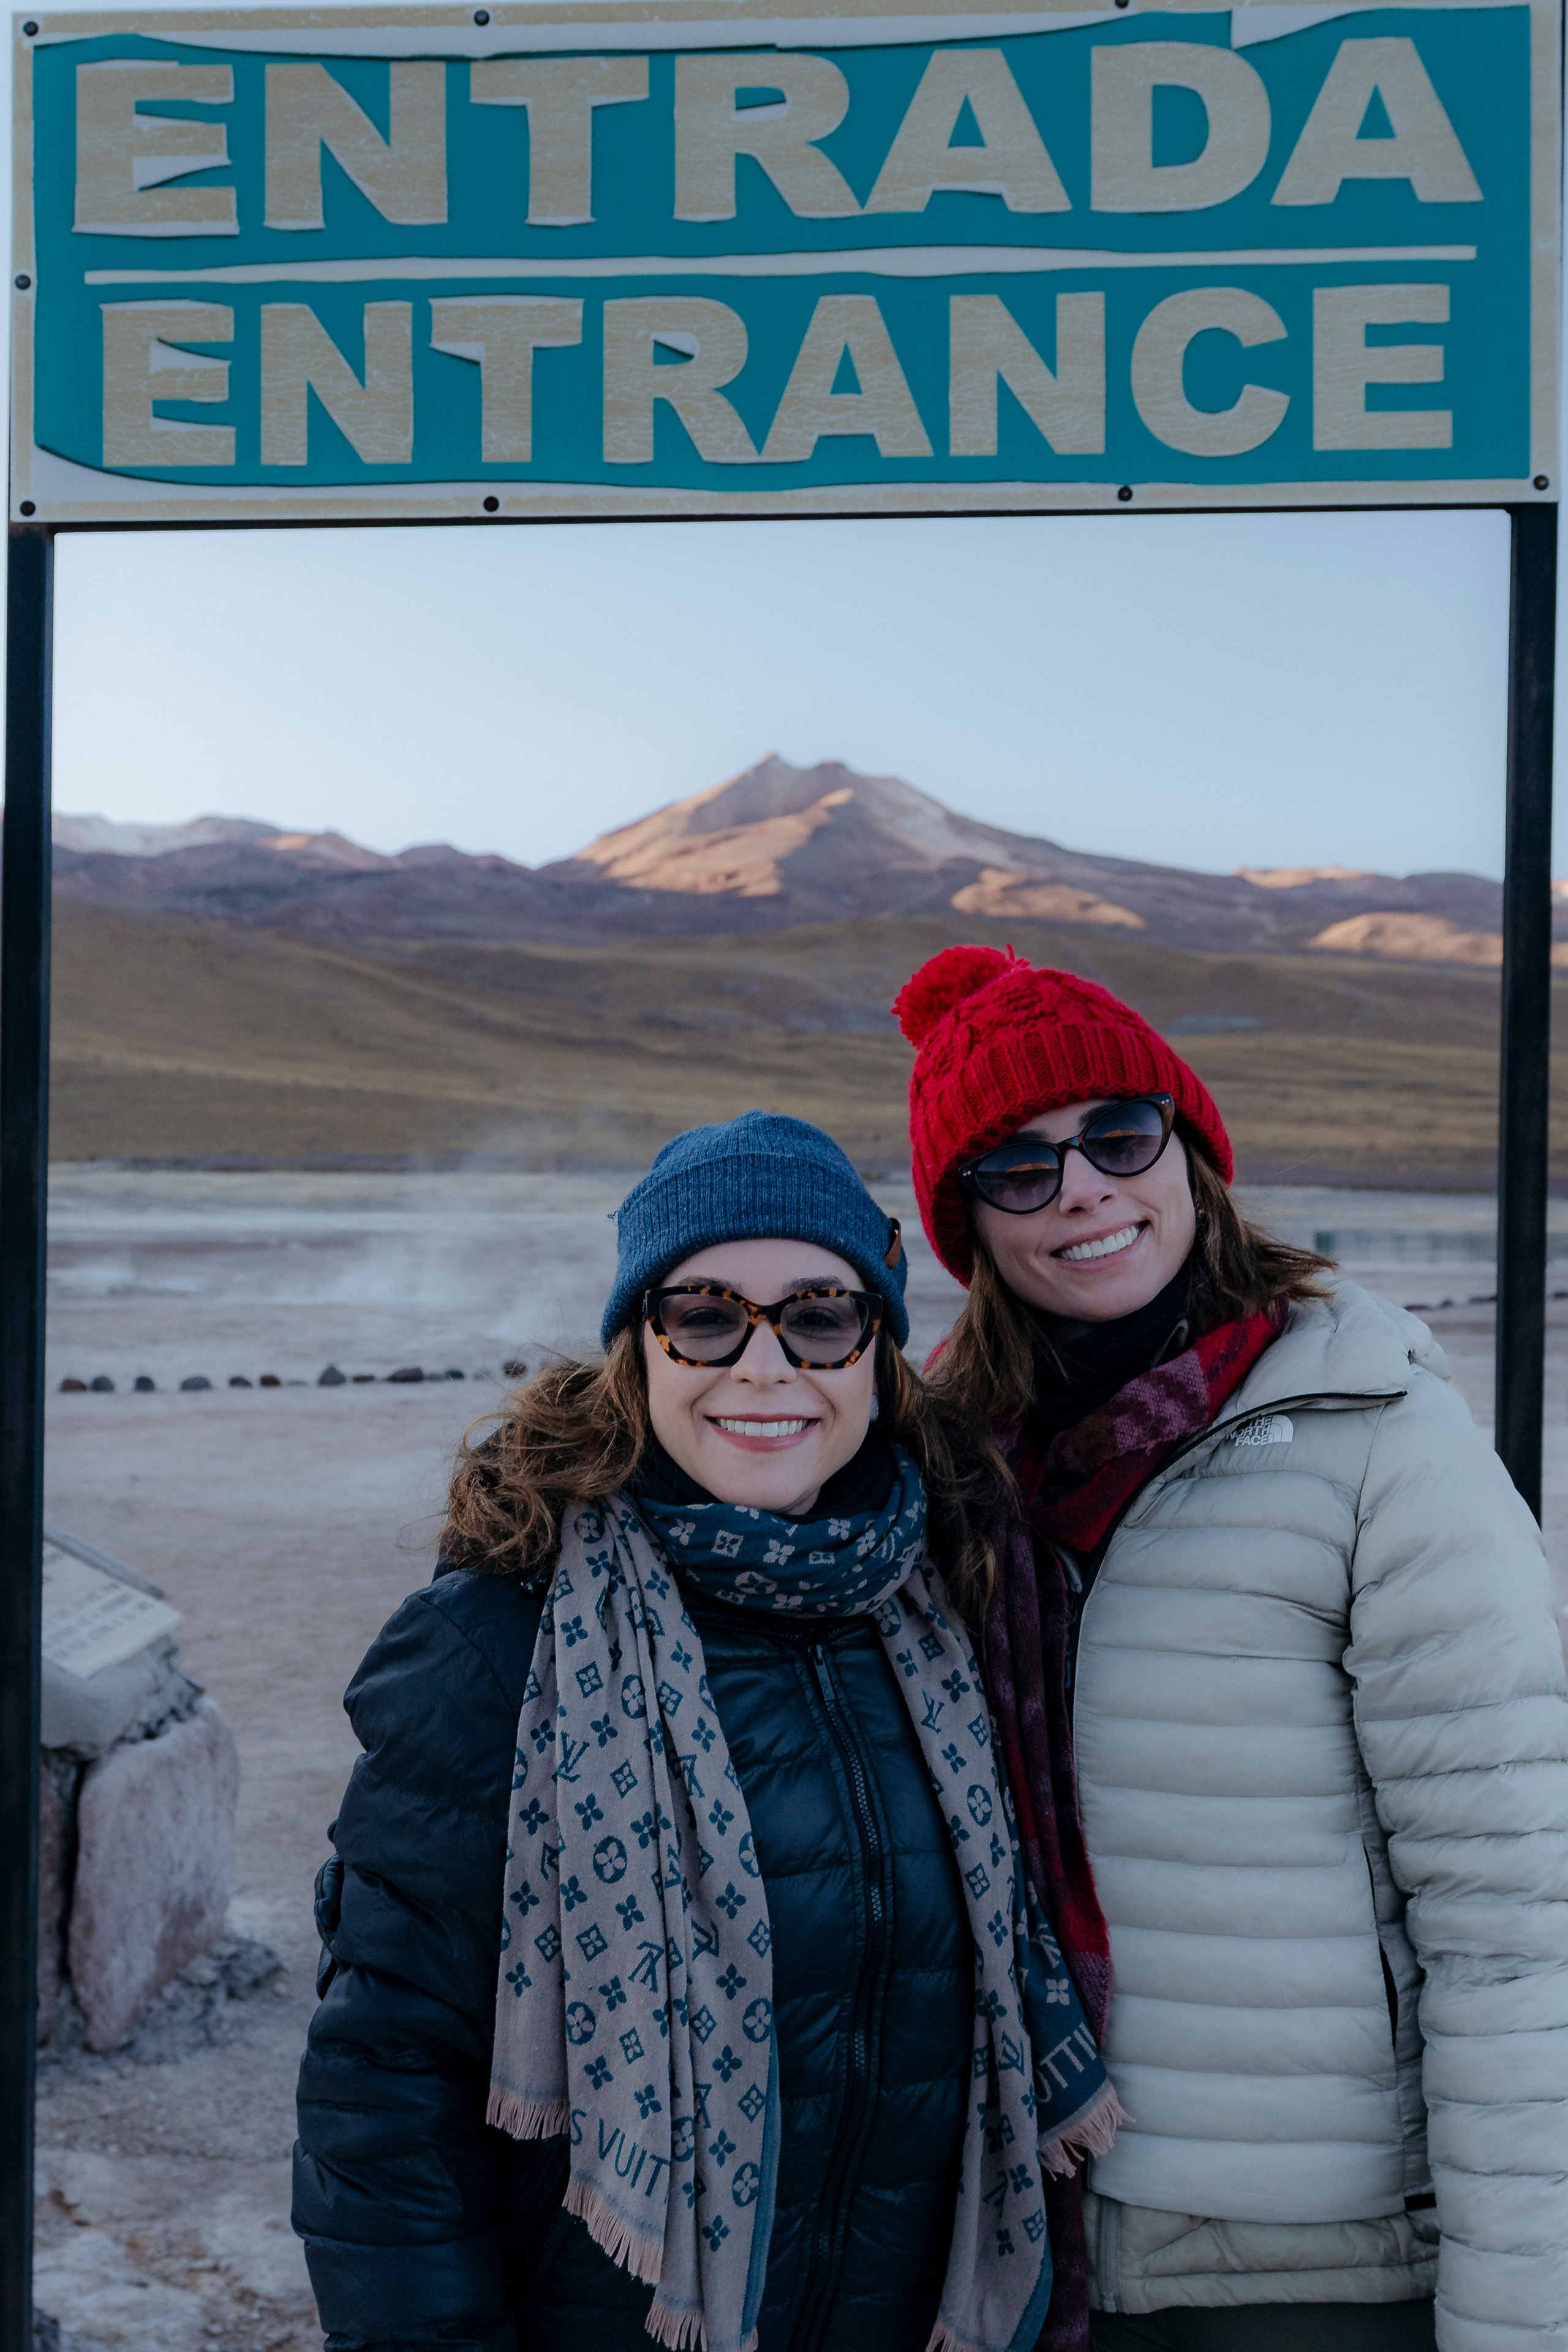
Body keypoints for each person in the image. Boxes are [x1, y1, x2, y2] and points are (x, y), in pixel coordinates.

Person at [292, 1110, 1119, 2352]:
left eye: (821, 1315)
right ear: (641, 1345)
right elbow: (384, 2090)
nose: (764, 1363)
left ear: (877, 1350)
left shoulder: (950, 1612)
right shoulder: (499, 1642)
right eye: (704, 1313)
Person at [892, 945, 1568, 2352]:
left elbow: (1513, 1918)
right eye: (1015, 1167)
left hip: (1310, 2267)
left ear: (1187, 1153)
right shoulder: (934, 1475)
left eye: (1115, 1134)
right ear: (969, 1226)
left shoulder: (1369, 1433)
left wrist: (1517, 2315)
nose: (1079, 1187)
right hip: (1021, 2246)